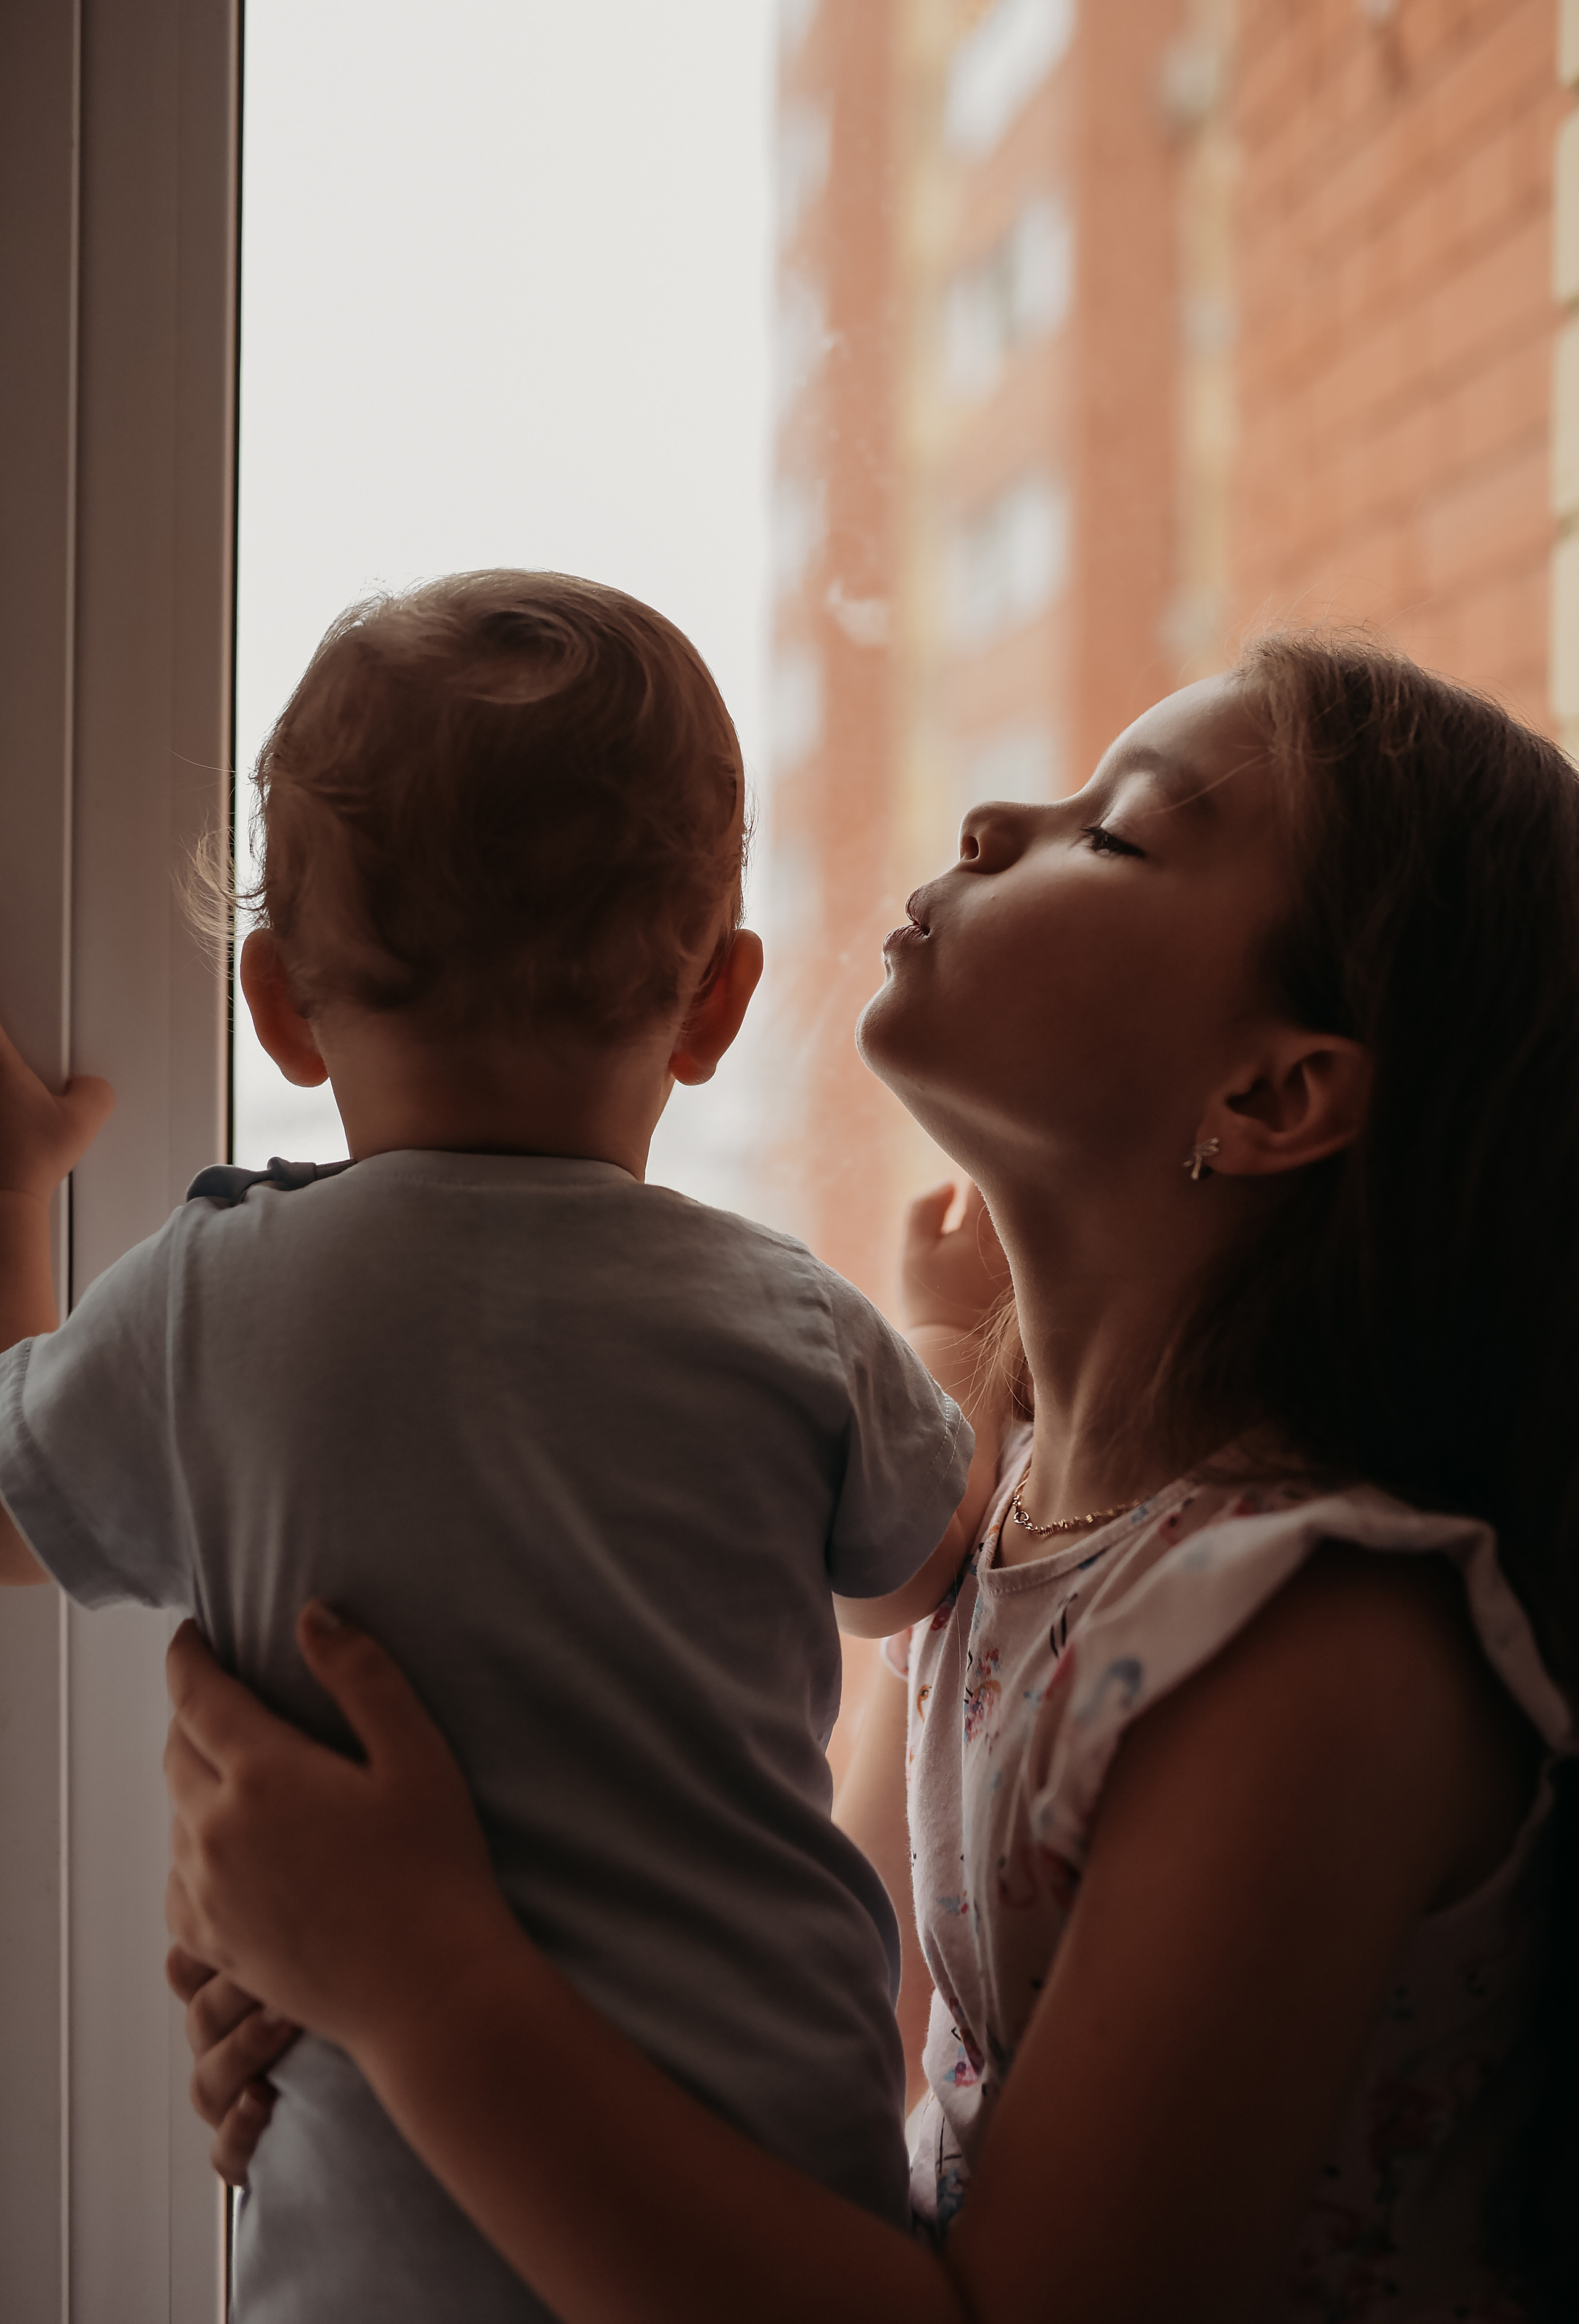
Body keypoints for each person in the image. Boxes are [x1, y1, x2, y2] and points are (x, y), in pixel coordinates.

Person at [167, 634, 1579, 2323]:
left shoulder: (1320, 1654)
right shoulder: (1012, 1541)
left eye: (1114, 832)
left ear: (1272, 1093)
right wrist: (368, 2059)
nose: (992, 816)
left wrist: (425, 1989)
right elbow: (787, 2040)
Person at [0, 572, 986, 2323]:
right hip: (747, 2212)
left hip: (379, 2251)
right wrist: (964, 1341)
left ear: (279, 1009)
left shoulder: (215, 1306)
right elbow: (929, 1569)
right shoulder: (791, 1323)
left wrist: (13, 1198)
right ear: (717, 1003)